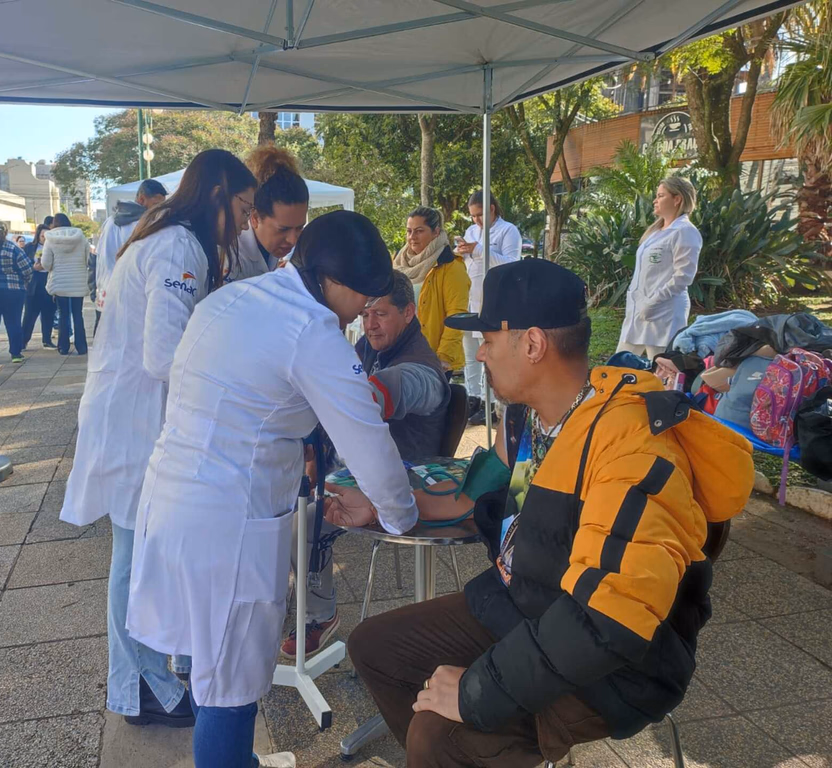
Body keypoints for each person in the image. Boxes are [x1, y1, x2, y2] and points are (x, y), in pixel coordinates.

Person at [346, 258, 755, 768]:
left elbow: (607, 620)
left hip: (616, 665)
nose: (481, 353)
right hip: (525, 603)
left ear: (533, 344)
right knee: (374, 648)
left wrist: (475, 691)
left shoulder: (629, 446)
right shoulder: (526, 419)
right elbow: (475, 499)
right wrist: (382, 505)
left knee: (440, 734)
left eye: (489, 340)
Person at [126, 211, 428, 768]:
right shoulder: (310, 330)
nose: (361, 311)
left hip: (172, 500)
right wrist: (401, 515)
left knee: (210, 664)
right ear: (330, 280)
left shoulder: (233, 299)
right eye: (360, 297)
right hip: (229, 522)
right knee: (231, 685)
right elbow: (366, 438)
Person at [59, 149, 257, 734]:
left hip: (133, 415)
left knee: (138, 554)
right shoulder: (177, 247)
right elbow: (165, 354)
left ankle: (146, 679)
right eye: (243, 208)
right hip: (135, 421)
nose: (244, 222)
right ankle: (143, 687)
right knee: (134, 558)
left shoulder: (168, 237)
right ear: (218, 194)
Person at [281, 269, 451, 659]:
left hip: (406, 486)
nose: (370, 324)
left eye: (381, 314)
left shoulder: (422, 368)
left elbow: (384, 391)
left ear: (408, 313)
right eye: (366, 314)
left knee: (302, 521)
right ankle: (281, 599)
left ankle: (320, 614)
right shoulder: (371, 348)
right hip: (355, 472)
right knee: (272, 493)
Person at [456, 189, 522, 426]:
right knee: (470, 354)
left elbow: (512, 264)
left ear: (492, 209)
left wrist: (479, 250)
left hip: (494, 300)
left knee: (490, 355)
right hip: (471, 297)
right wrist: (463, 251)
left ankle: (490, 402)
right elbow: (469, 264)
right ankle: (473, 397)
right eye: (473, 216)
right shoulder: (472, 231)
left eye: (480, 214)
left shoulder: (508, 231)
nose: (476, 220)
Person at [617, 176, 702, 360]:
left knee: (660, 369)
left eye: (661, 196)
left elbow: (683, 276)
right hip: (639, 311)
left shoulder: (685, 231)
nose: (655, 200)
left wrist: (653, 302)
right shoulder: (655, 232)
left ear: (677, 199)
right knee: (619, 366)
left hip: (664, 312)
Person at [393, 207, 469, 375]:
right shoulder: (397, 263)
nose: (412, 237)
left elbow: (456, 316)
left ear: (436, 232)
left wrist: (444, 356)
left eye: (419, 231)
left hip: (432, 358)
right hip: (398, 353)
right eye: (409, 231)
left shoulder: (451, 267)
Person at [226, 144, 308, 282]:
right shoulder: (229, 258)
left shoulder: (272, 249)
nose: (293, 240)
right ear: (255, 218)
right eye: (283, 229)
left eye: (299, 228)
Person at [95, 179, 167, 324]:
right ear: (142, 199)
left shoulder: (110, 221)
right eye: (156, 205)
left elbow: (98, 258)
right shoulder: (142, 226)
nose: (159, 210)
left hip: (104, 294)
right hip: (126, 299)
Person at [0, 221, 34, 364]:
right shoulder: (13, 248)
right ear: (6, 233)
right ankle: (16, 353)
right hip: (13, 291)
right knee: (13, 322)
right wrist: (24, 281)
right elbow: (28, 269)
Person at [41, 212, 90, 356]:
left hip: (59, 282)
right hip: (78, 281)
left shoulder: (50, 239)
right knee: (78, 314)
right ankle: (81, 346)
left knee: (63, 314)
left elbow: (46, 264)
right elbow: (88, 260)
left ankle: (63, 347)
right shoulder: (81, 238)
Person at [21, 224, 55, 350]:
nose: (44, 239)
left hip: (48, 281)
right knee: (29, 315)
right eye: (42, 236)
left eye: (47, 236)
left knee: (48, 313)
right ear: (38, 236)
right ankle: (23, 340)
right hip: (33, 283)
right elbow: (23, 264)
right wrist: (33, 267)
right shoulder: (29, 247)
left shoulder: (53, 247)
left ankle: (47, 340)